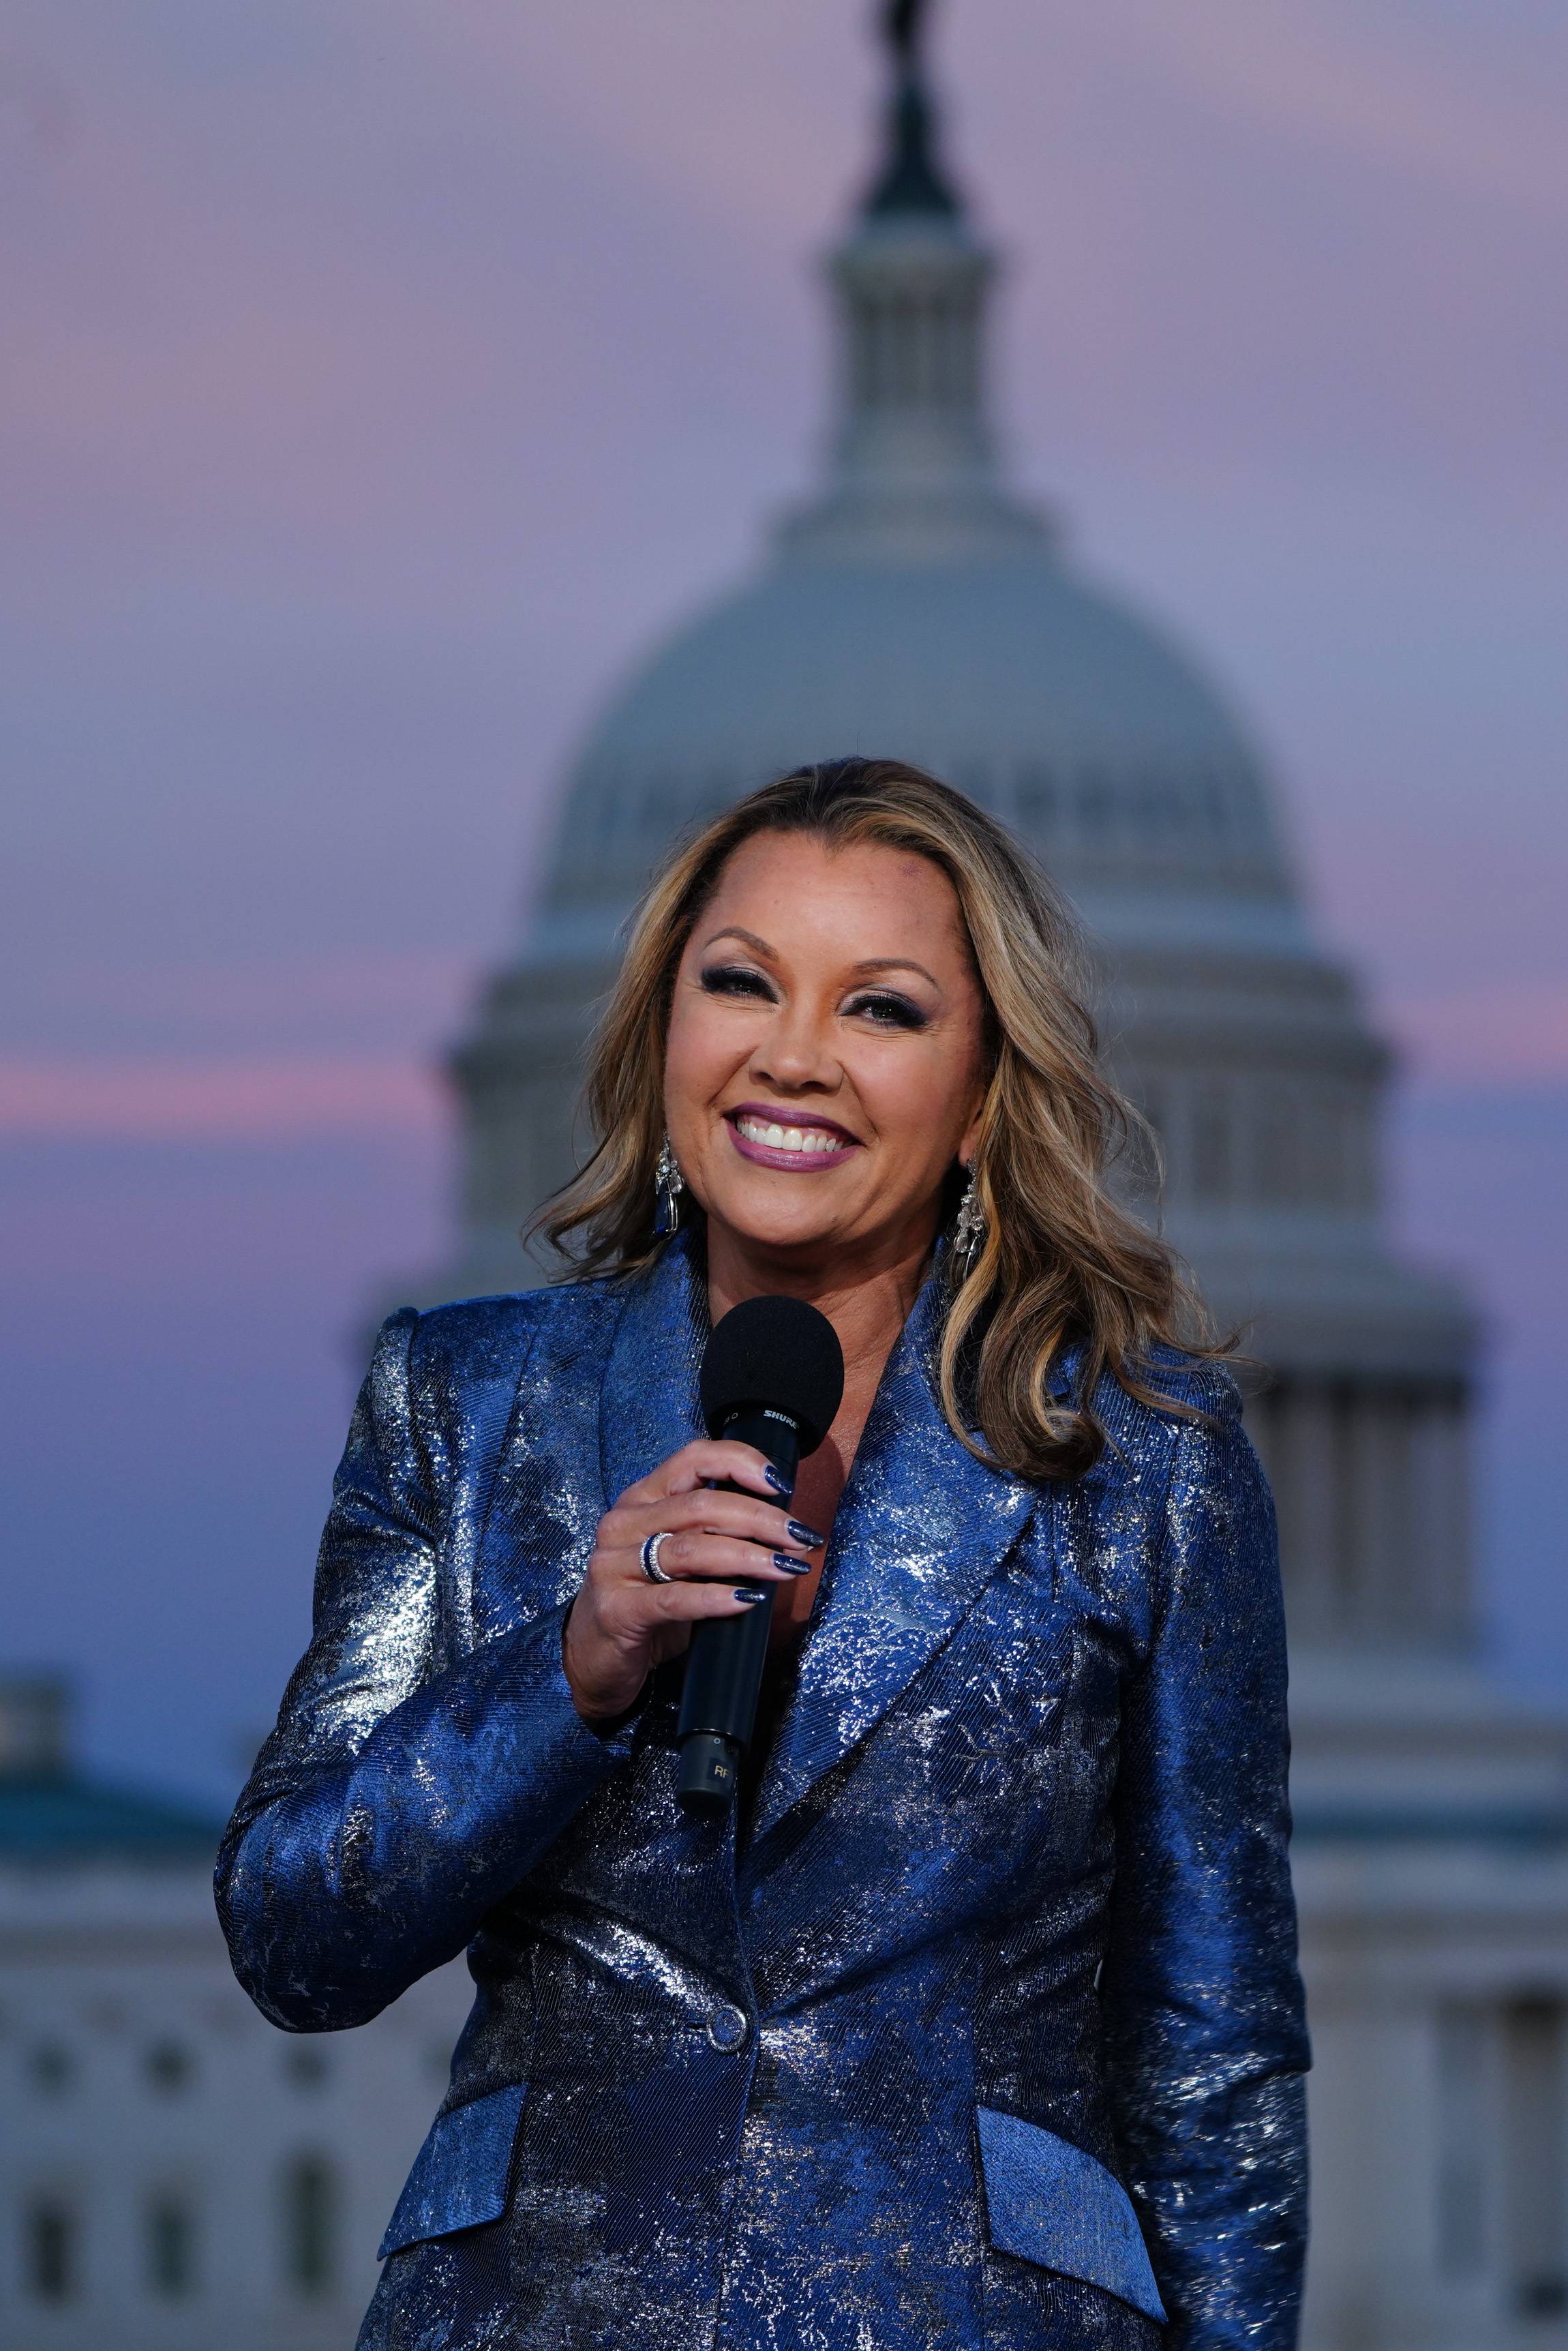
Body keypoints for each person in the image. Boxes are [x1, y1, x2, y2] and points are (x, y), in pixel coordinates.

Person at [217, 757, 1308, 2351]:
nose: (792, 1056)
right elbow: (294, 1939)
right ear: (665, 1029)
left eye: (880, 1008)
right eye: (740, 983)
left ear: (983, 1089)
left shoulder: (1144, 1460)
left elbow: (1213, 2056)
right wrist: (574, 1666)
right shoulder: (462, 1398)